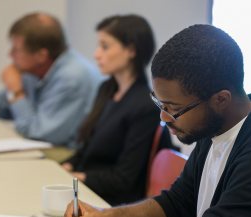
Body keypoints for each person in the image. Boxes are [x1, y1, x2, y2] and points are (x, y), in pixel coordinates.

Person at [47, 24, 251, 217]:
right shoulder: (217, 128)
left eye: (173, 108)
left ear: (221, 99)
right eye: (159, 103)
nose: (163, 118)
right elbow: (176, 205)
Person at [0, 12, 100, 147]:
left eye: (17, 50)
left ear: (41, 56)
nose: (10, 55)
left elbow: (38, 133)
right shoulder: (35, 70)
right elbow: (2, 102)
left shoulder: (72, 78)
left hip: (69, 158)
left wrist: (16, 91)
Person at [61, 14, 170, 205]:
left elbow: (125, 180)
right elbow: (86, 149)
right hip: (86, 189)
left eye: (105, 46)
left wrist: (78, 178)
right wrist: (68, 166)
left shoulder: (145, 106)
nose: (96, 54)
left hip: (111, 202)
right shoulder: (106, 89)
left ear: (131, 50)